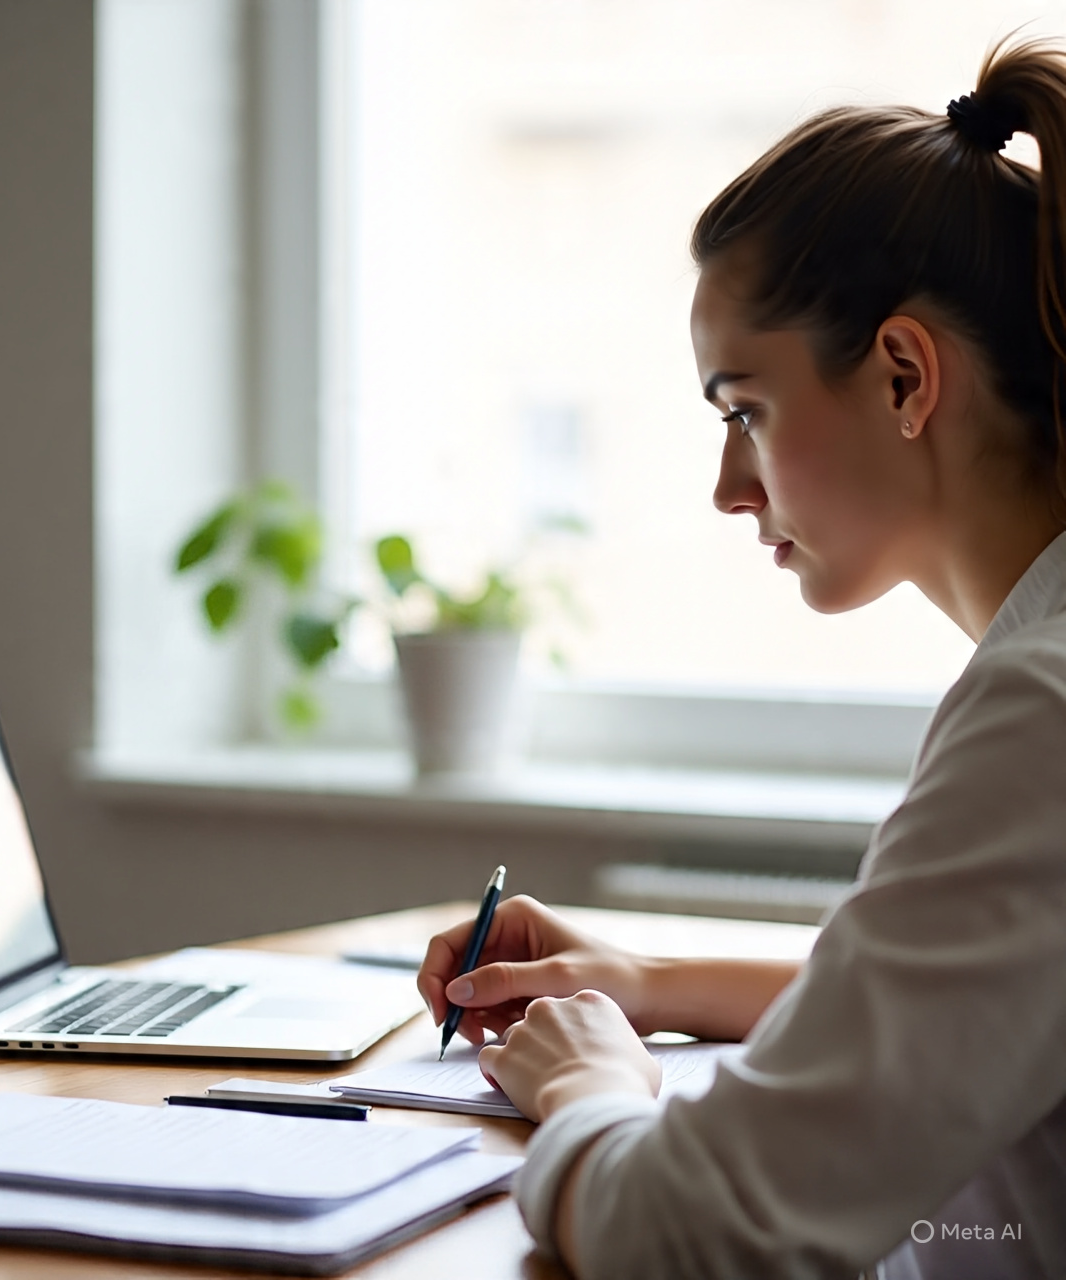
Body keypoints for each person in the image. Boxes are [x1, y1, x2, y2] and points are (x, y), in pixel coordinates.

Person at [417, 37, 1066, 1280]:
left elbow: (693, 1230)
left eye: (741, 410)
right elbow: (965, 1019)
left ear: (900, 374)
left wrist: (593, 1085)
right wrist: (641, 976)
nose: (726, 487)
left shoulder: (1038, 712)